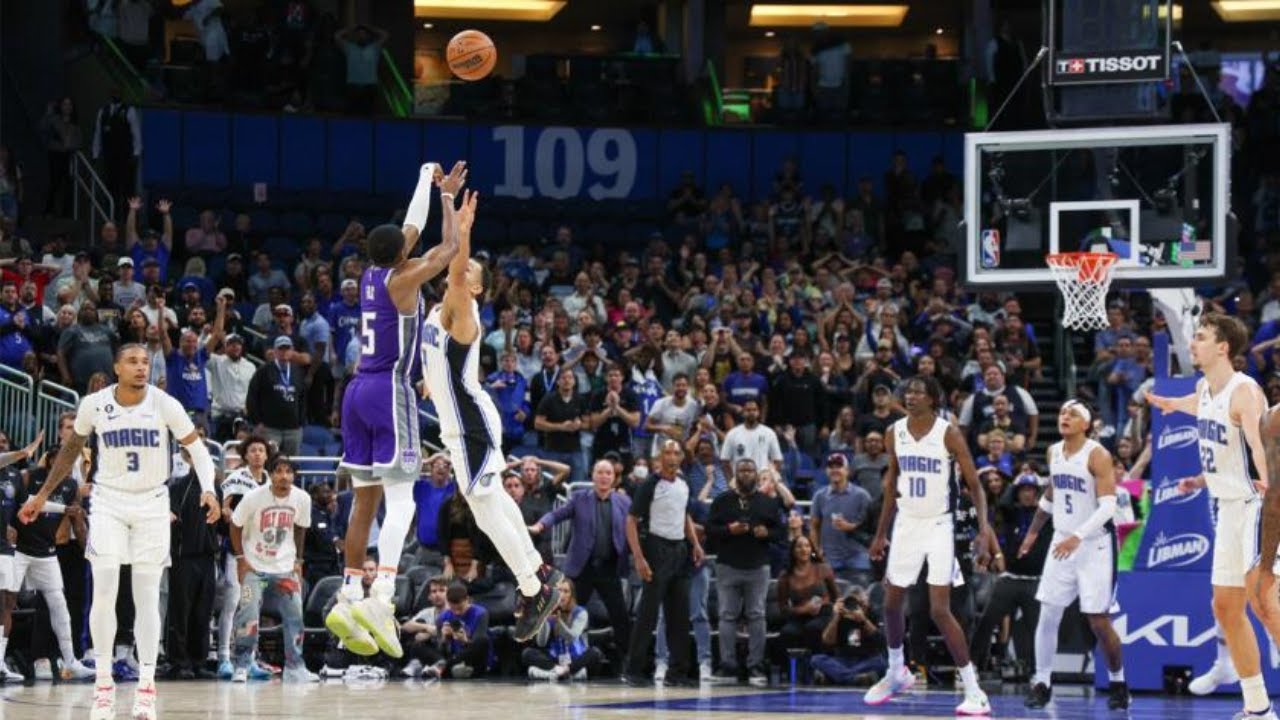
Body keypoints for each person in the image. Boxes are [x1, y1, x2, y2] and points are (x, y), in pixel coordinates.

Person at [19, 344, 220, 720]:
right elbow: (69, 451)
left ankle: (146, 688)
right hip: (109, 501)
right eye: (133, 361)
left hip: (152, 502)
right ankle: (104, 686)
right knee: (106, 584)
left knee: (145, 595)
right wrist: (42, 495)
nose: (141, 367)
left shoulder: (164, 403)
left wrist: (208, 488)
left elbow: (199, 449)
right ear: (116, 368)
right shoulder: (94, 404)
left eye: (145, 361)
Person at [328, 163, 465, 661]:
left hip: (356, 392)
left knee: (365, 502)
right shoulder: (404, 278)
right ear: (402, 254)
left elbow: (409, 223)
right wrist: (448, 199)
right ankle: (382, 596)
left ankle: (348, 595)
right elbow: (448, 250)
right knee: (403, 496)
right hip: (390, 389)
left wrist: (425, 179)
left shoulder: (370, 272)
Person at [419, 187, 562, 644]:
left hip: (471, 421)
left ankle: (533, 586)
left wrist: (463, 231)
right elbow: (447, 258)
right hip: (459, 419)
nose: (457, 270)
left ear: (476, 286)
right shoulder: (443, 306)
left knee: (485, 509)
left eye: (466, 271)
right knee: (490, 505)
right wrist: (445, 203)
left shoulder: (465, 309)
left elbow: (456, 268)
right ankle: (537, 572)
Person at [1148, 313, 1277, 719]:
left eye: (1200, 337)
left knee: (1264, 602)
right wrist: (1172, 405)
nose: (1192, 343)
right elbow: (1202, 413)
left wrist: (1267, 482)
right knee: (1225, 607)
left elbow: (1258, 447)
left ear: (1223, 347)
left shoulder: (1245, 391)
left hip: (1257, 506)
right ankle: (1257, 707)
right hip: (1227, 507)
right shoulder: (1205, 389)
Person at [864, 375, 994, 715]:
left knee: (939, 610)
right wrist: (880, 533)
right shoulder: (895, 433)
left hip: (940, 525)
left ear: (932, 399)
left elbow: (975, 486)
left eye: (918, 392)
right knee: (892, 604)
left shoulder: (948, 433)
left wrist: (984, 529)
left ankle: (974, 689)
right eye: (907, 392)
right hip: (906, 523)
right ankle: (897, 672)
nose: (910, 396)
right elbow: (892, 484)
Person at [1018, 401, 1129, 709]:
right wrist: (1032, 532)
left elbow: (1108, 506)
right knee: (1049, 612)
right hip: (1062, 540)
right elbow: (1052, 494)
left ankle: (1119, 682)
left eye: (1073, 414)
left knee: (1098, 621)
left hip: (1094, 545)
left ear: (1087, 424)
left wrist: (1078, 536)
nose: (1065, 416)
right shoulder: (1054, 452)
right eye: (1063, 412)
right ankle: (1042, 682)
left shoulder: (1098, 455)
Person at [621, 439, 706, 687]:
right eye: (667, 452)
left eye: (676, 453)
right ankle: (634, 669)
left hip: (680, 549)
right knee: (647, 614)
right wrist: (639, 557)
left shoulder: (684, 483)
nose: (671, 457)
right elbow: (631, 521)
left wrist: (695, 543)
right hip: (656, 548)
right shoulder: (650, 484)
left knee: (679, 615)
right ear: (660, 457)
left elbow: (685, 515)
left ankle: (678, 672)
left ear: (681, 457)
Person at [13, 428, 95, 681]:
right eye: (57, 459)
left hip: (47, 552)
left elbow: (77, 521)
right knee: (5, 603)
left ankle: (70, 661)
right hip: (20, 551)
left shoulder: (71, 485)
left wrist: (87, 546)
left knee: (59, 606)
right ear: (48, 460)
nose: (63, 464)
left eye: (67, 461)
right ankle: (22, 660)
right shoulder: (29, 477)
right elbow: (22, 507)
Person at [228, 455, 317, 683]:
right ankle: (242, 664)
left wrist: (298, 560)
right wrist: (240, 558)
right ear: (270, 474)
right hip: (254, 567)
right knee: (248, 613)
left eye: (288, 472)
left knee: (295, 614)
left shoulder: (302, 498)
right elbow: (235, 525)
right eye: (278, 471)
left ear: (294, 476)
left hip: (285, 568)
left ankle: (295, 667)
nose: (284, 476)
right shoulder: (253, 497)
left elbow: (300, 528)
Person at [531, 460, 632, 655]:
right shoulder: (579, 498)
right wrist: (541, 525)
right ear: (592, 475)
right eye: (600, 472)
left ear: (614, 478)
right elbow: (556, 515)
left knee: (620, 616)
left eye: (608, 473)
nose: (604, 476)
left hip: (609, 568)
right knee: (569, 613)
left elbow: (634, 527)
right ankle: (561, 655)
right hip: (581, 568)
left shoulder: (624, 502)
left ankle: (624, 662)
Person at [705, 458, 781, 686]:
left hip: (758, 566)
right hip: (728, 564)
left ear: (757, 474)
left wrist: (765, 532)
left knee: (756, 615)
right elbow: (710, 529)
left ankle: (756, 668)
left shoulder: (768, 502)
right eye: (742, 470)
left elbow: (781, 532)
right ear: (736, 475)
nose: (746, 474)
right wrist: (730, 529)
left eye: (750, 470)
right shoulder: (722, 500)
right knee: (727, 616)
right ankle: (728, 667)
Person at [214, 436, 269, 678]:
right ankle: (224, 657)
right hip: (237, 549)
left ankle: (250, 659)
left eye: (261, 450)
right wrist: (234, 517)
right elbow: (224, 509)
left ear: (266, 456)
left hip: (261, 551)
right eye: (253, 450)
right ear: (246, 455)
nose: (257, 454)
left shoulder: (270, 481)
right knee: (233, 601)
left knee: (253, 605)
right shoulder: (237, 478)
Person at [0, 432, 44, 682]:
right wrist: (24, 452)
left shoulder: (15, 476)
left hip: (6, 549)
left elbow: (23, 509)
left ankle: (0, 663)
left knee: (7, 603)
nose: (1, 444)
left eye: (5, 441)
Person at [523, 577, 604, 681]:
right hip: (555, 660)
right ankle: (562, 672)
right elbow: (541, 643)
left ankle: (552, 674)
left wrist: (558, 622)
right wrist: (543, 619)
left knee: (595, 653)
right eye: (559, 591)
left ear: (571, 595)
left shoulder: (580, 613)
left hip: (575, 659)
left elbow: (572, 637)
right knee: (527, 653)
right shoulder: (548, 612)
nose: (562, 595)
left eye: (566, 591)